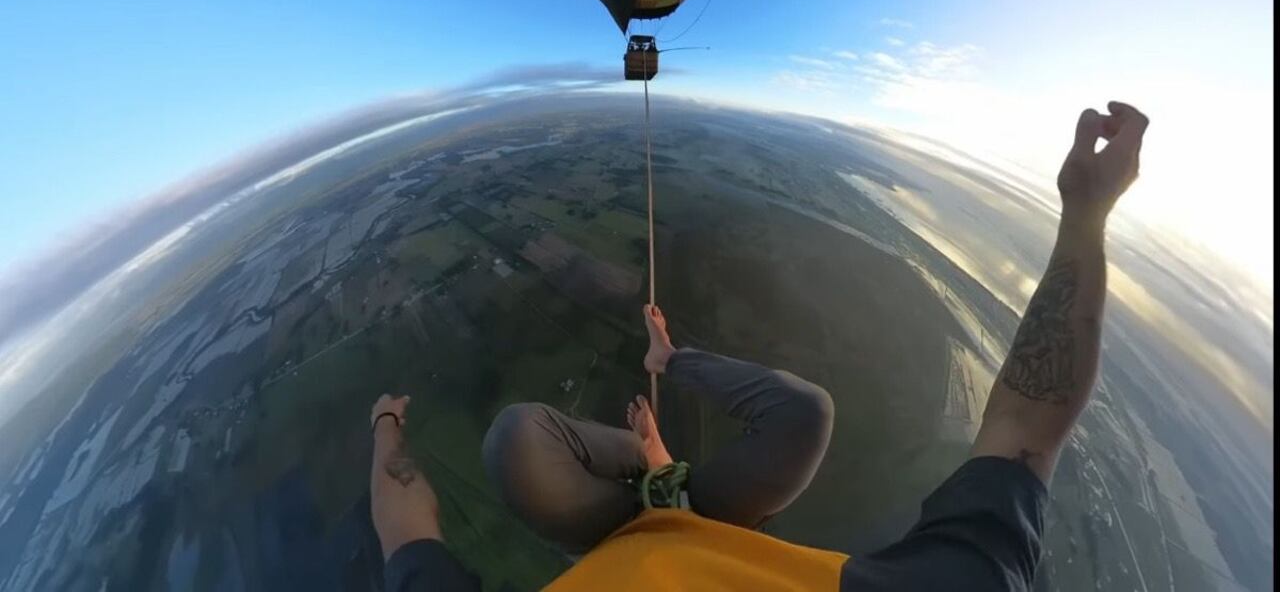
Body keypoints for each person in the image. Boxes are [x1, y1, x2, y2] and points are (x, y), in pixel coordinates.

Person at [368, 102, 1150, 591]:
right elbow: (1023, 431)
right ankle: (664, 428)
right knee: (808, 414)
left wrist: (386, 427)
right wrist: (1084, 216)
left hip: (613, 535)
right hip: (712, 520)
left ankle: (653, 469)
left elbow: (409, 536)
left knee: (517, 440)